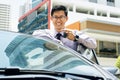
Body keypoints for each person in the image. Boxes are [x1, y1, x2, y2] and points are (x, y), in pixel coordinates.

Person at [33, 5, 97, 52]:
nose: (58, 20)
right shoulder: (47, 33)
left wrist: (76, 38)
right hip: (49, 68)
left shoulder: (73, 33)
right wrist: (56, 43)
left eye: (61, 17)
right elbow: (35, 34)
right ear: (51, 19)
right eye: (55, 17)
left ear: (66, 18)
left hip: (68, 69)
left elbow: (93, 44)